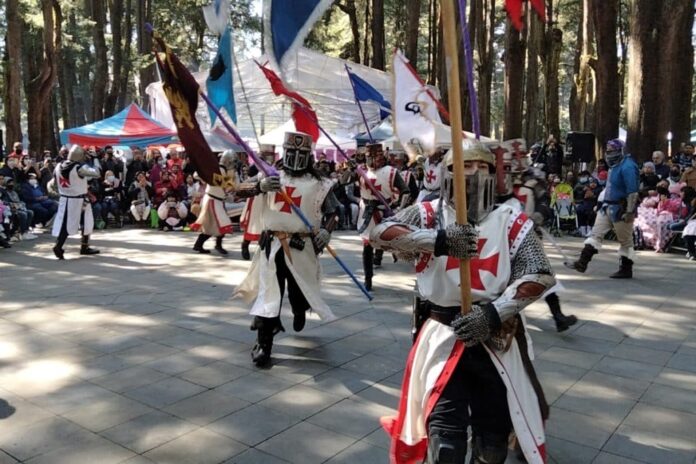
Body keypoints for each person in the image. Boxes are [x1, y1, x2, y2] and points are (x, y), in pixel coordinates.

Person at [370, 142, 551, 464]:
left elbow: (539, 275)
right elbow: (380, 234)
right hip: (442, 334)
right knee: (445, 442)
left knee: (492, 444)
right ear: (447, 173)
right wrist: (438, 240)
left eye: (483, 168)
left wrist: (494, 313)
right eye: (466, 167)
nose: (475, 174)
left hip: (495, 336)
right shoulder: (428, 213)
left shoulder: (511, 221)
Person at [234, 131, 339, 367]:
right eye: (291, 152)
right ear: (285, 151)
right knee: (269, 294)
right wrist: (259, 186)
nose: (295, 157)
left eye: (301, 154)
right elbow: (238, 191)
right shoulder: (271, 175)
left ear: (308, 155)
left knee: (299, 290)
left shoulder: (320, 183)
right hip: (271, 246)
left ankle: (300, 307)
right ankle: (263, 345)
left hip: (302, 246)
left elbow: (334, 212)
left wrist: (326, 231)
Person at [572, 139, 640, 278]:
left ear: (620, 151)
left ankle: (626, 269)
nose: (609, 154)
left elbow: (633, 191)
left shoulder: (628, 167)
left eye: (612, 151)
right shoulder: (614, 166)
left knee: (625, 240)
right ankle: (582, 262)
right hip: (607, 206)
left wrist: (629, 211)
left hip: (621, 208)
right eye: (608, 151)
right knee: (595, 234)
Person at [357, 142, 408, 291]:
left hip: (385, 210)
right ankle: (368, 277)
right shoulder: (361, 172)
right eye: (368, 157)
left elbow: (405, 191)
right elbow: (345, 183)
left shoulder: (391, 172)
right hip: (367, 211)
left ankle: (379, 258)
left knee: (383, 239)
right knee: (367, 245)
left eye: (373, 157)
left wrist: (400, 208)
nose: (371, 160)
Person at [52, 146, 101, 259]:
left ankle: (63, 246)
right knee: (83, 222)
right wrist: (94, 159)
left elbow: (53, 182)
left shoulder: (58, 166)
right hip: (78, 200)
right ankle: (65, 247)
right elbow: (97, 173)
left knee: (67, 224)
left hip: (65, 199)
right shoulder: (79, 168)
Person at [191, 150, 237, 255]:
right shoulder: (217, 168)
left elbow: (229, 186)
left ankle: (200, 245)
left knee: (212, 225)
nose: (233, 164)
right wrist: (208, 177)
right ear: (227, 160)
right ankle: (216, 245)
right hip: (212, 200)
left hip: (218, 200)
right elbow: (197, 175)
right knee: (221, 223)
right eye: (232, 161)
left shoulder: (226, 170)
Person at [240, 145, 276, 260]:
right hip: (256, 199)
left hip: (269, 201)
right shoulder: (256, 168)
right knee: (253, 224)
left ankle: (263, 250)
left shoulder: (275, 170)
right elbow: (246, 184)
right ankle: (245, 245)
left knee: (265, 226)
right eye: (267, 155)